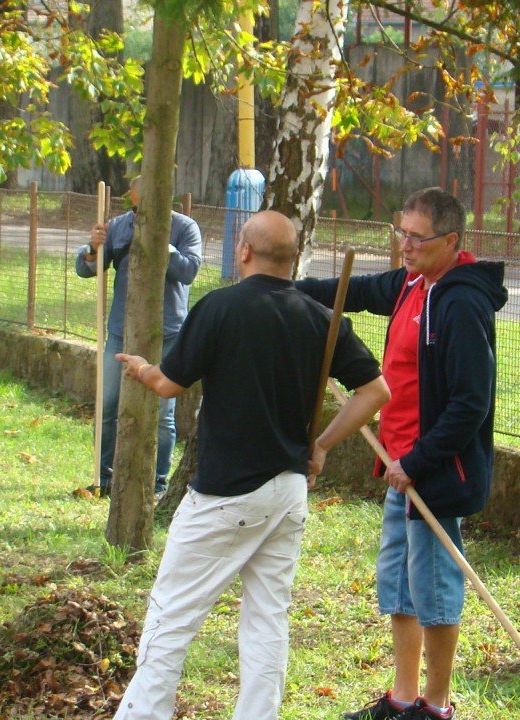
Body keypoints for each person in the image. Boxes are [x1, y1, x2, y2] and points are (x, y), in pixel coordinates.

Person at [112, 210, 390, 720]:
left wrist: (142, 369)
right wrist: (322, 444)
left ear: (243, 251)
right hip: (287, 493)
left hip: (226, 495)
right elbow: (376, 391)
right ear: (293, 259)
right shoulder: (320, 319)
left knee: (169, 618)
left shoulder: (220, 307)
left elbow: (168, 385)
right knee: (267, 620)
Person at [296, 187, 508, 720]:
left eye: (417, 237)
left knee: (434, 588)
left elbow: (470, 404)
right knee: (399, 585)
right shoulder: (414, 283)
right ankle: (403, 697)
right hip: (398, 465)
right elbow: (357, 289)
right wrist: (287, 289)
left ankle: (435, 707)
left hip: (430, 471)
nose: (405, 246)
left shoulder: (460, 302)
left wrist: (417, 463)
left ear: (452, 241)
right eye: (401, 233)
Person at [76, 175, 202, 497]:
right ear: (131, 196)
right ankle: (104, 480)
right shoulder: (118, 226)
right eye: (140, 194)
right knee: (108, 406)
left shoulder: (185, 227)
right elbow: (87, 269)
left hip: (168, 333)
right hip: (121, 331)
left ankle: (157, 486)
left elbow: (189, 271)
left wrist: (161, 242)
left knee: (163, 415)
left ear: (167, 194)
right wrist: (93, 248)